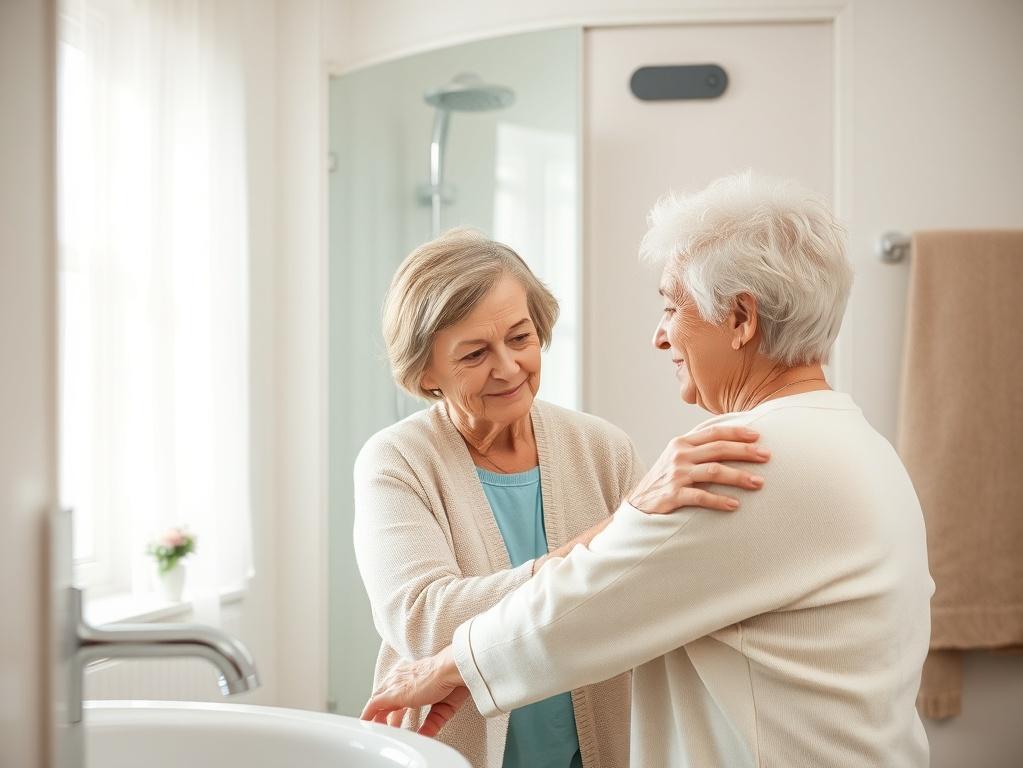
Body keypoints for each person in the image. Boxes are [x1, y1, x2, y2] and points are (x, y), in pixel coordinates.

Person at [361, 172, 935, 768]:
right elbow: (452, 611)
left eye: (670, 306)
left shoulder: (738, 459)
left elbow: (594, 599)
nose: (660, 336)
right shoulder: (858, 441)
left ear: (740, 317)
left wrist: (447, 669)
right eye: (476, 353)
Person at [353, 228, 770, 768]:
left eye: (521, 338)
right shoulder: (397, 460)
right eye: (475, 353)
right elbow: (426, 623)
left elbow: (642, 594)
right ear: (425, 369)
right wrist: (627, 522)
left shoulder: (601, 447)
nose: (508, 368)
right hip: (455, 752)